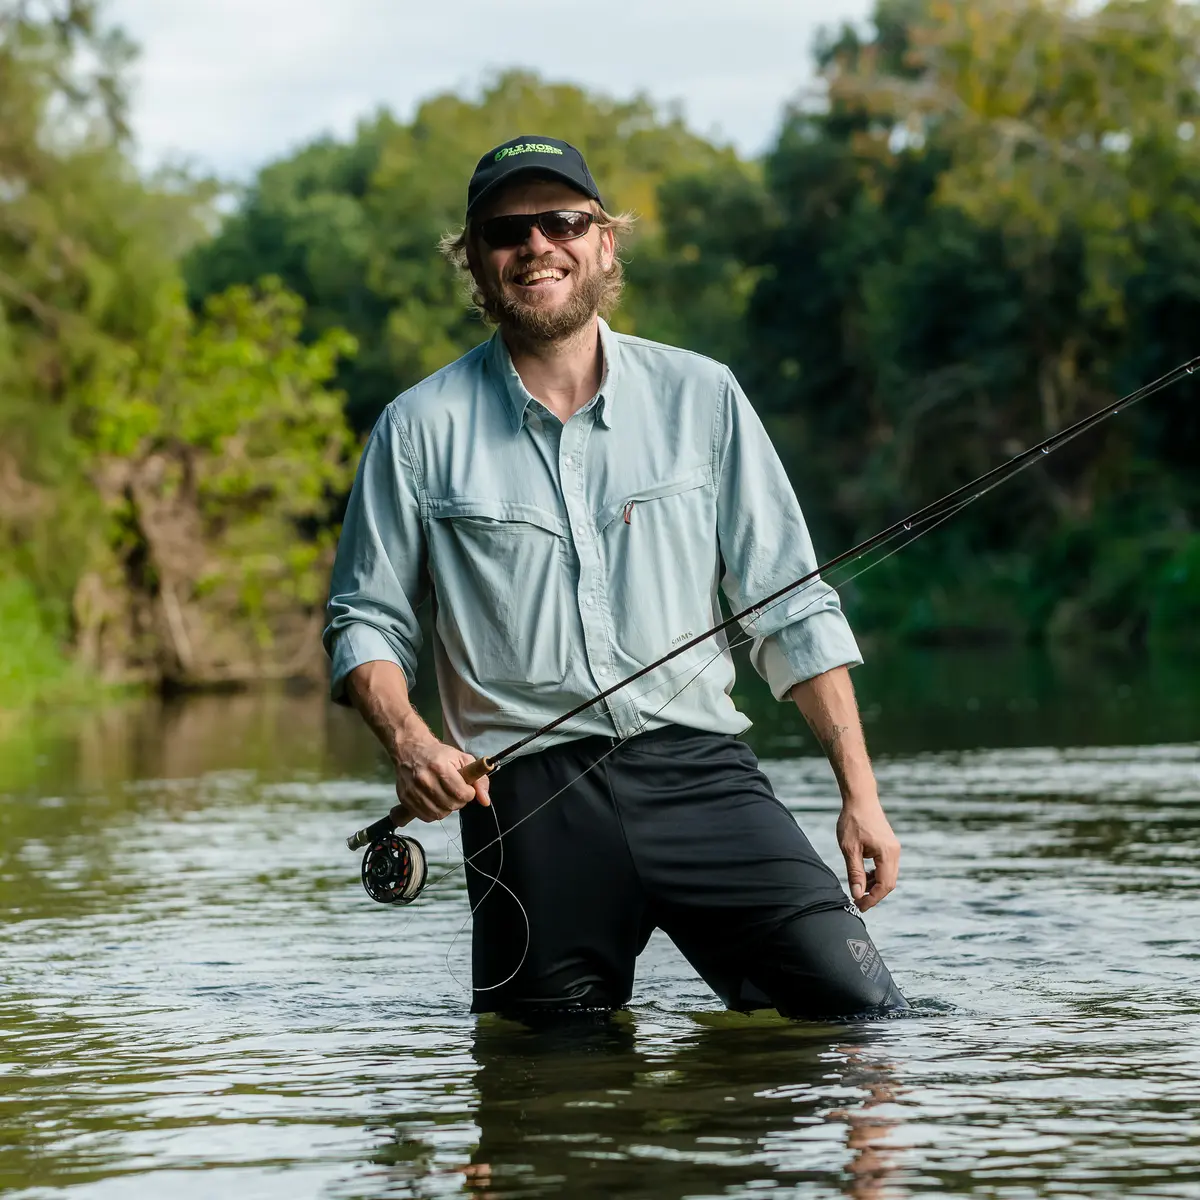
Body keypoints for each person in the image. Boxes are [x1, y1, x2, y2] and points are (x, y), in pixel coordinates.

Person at [324, 134, 907, 1020]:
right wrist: (411, 744)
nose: (537, 245)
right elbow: (363, 620)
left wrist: (859, 796)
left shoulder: (703, 395)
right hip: (525, 804)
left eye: (563, 221)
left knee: (865, 1022)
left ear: (604, 242)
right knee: (545, 1100)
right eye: (507, 231)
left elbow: (787, 604)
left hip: (702, 773)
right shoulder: (414, 430)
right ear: (476, 263)